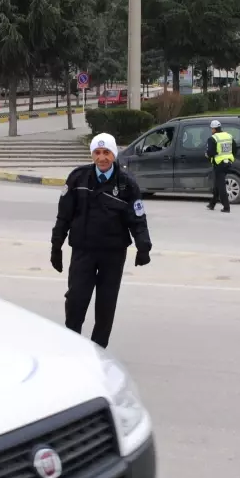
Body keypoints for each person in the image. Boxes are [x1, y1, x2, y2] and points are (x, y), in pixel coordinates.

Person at [50, 132, 152, 348]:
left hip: (112, 254)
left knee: (106, 304)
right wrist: (56, 246)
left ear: (114, 155)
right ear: (92, 155)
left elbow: (138, 218)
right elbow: (64, 216)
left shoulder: (126, 184)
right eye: (97, 152)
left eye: (106, 153)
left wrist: (143, 247)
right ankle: (73, 344)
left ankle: (98, 349)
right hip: (83, 251)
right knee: (76, 299)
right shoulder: (77, 178)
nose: (102, 158)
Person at [206, 119, 237, 212]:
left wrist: (207, 155)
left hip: (219, 164)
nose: (211, 131)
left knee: (221, 185)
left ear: (214, 129)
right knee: (217, 184)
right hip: (228, 163)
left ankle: (226, 207)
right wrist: (231, 158)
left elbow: (210, 152)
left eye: (212, 129)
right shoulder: (229, 136)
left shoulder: (213, 138)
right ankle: (212, 204)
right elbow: (235, 149)